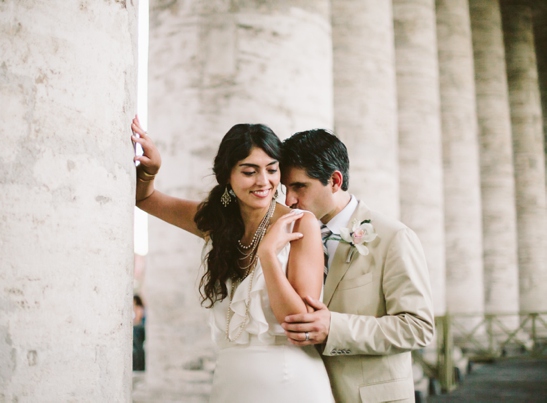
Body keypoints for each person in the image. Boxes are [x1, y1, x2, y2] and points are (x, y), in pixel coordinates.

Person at [130, 116, 333, 402]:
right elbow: (144, 199)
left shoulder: (300, 224)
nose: (264, 181)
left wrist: (268, 257)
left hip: (290, 381)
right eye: (249, 171)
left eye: (272, 170)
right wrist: (151, 170)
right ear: (228, 176)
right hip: (231, 381)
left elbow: (297, 321)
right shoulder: (215, 221)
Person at [278, 129, 435, 403]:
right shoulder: (289, 237)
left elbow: (418, 327)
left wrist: (334, 328)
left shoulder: (394, 237)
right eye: (285, 188)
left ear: (335, 180)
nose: (288, 200)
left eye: (299, 186)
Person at [132, 295, 146, 371]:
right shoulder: (135, 309)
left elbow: (137, 320)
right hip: (137, 329)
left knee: (138, 347)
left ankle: (140, 366)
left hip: (138, 329)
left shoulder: (138, 309)